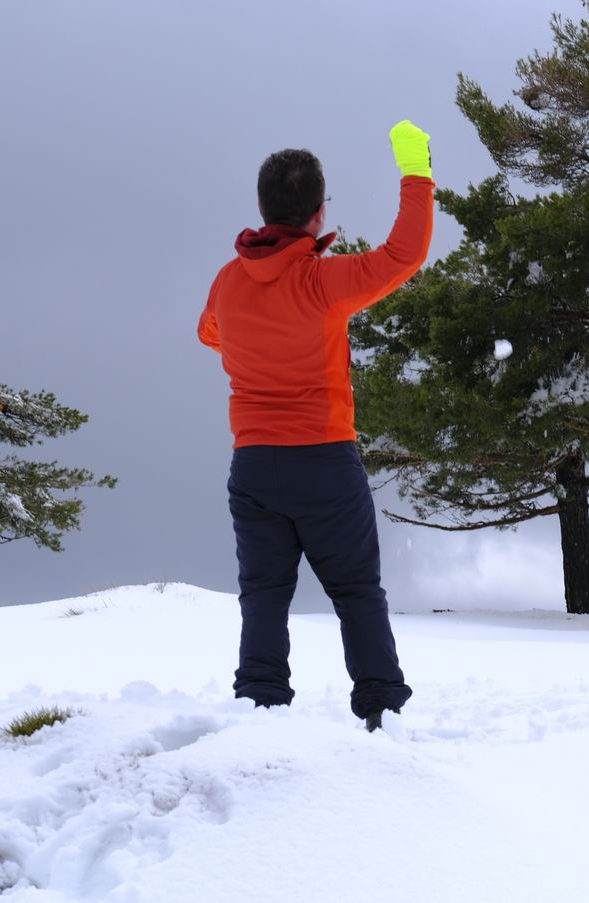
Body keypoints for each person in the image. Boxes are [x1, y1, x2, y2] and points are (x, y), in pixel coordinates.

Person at [197, 121, 434, 731]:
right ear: (319, 210)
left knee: (264, 594)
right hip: (325, 461)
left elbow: (210, 333)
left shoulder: (228, 282)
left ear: (263, 208)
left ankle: (259, 706)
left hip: (253, 465)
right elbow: (403, 254)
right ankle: (381, 708)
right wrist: (415, 169)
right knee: (356, 592)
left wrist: (254, 340)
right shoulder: (323, 283)